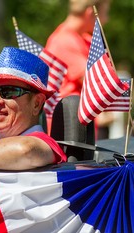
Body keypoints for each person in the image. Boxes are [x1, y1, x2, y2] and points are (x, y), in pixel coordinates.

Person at [45, 0, 115, 139]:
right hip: (68, 128)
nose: (106, 20)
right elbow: (97, 83)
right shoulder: (63, 40)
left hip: (82, 126)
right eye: (105, 13)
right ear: (90, 12)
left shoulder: (83, 39)